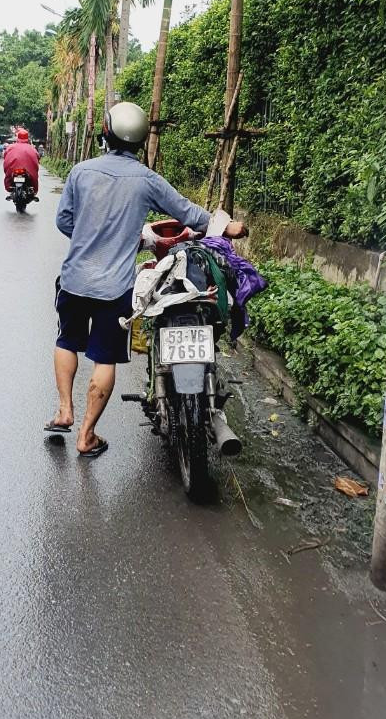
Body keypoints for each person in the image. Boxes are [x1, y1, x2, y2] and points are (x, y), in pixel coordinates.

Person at [47, 101, 245, 458]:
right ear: (140, 141)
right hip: (114, 287)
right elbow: (188, 213)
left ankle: (64, 410)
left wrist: (92, 235)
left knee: (67, 341)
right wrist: (227, 226)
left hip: (74, 279)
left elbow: (64, 221)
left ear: (105, 133)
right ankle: (87, 435)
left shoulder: (80, 172)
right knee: (103, 358)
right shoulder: (148, 180)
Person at [3, 128, 40, 197]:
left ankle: (9, 188)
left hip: (13, 169)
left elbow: (5, 155)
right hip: (28, 170)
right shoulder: (31, 148)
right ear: (27, 137)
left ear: (18, 137)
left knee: (8, 175)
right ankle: (33, 192)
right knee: (34, 176)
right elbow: (37, 156)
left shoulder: (11, 147)